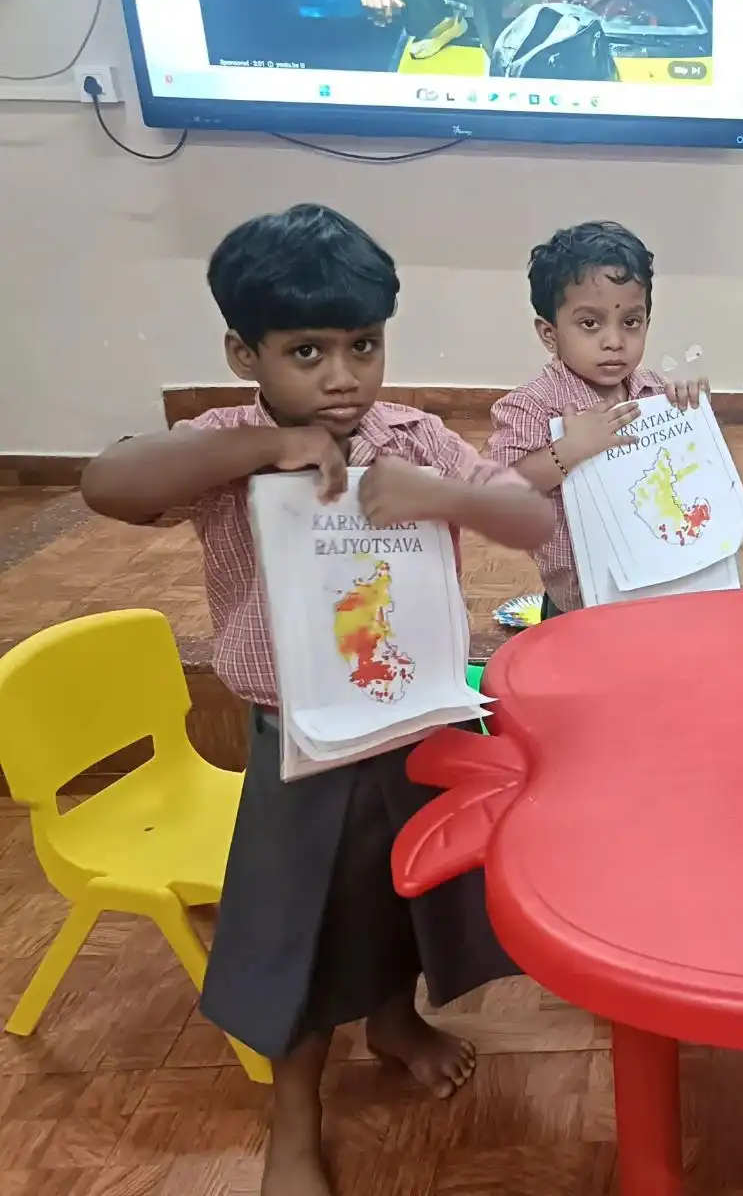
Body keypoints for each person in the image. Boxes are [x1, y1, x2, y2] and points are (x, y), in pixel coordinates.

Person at [79, 204, 558, 1196]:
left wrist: (443, 494)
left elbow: (528, 514)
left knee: (402, 901)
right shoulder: (225, 442)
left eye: (362, 346)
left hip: (415, 727)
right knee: (295, 936)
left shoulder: (410, 433)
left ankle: (393, 1021)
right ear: (243, 352)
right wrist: (259, 453)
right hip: (298, 749)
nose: (340, 377)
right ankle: (290, 1122)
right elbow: (107, 484)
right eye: (306, 351)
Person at [486, 220, 707, 618]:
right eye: (590, 323)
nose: (614, 341)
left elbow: (691, 473)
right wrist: (567, 452)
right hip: (576, 603)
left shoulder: (654, 392)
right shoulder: (533, 405)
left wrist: (691, 415)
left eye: (631, 322)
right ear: (549, 334)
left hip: (657, 586)